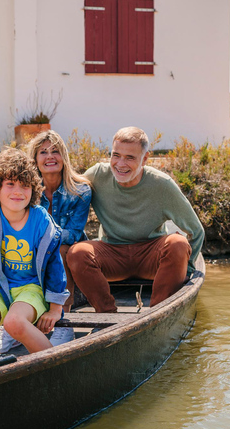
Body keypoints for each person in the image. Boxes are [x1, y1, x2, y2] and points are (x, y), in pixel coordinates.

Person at [66, 126, 204, 312]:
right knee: (76, 253)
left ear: (145, 159)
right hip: (111, 253)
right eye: (116, 155)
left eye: (130, 157)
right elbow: (68, 192)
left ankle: (157, 313)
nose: (121, 164)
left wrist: (186, 271)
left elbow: (196, 231)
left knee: (178, 244)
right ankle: (106, 315)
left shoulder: (162, 185)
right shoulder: (98, 175)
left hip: (151, 254)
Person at [0, 148, 69, 354]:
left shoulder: (41, 220)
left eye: (25, 186)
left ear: (33, 190)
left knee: (14, 323)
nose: (17, 191)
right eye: (10, 184)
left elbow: (55, 265)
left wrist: (55, 309)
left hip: (32, 289)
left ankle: (53, 364)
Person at [0, 131, 92, 351]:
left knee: (60, 248)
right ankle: (10, 325)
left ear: (64, 157)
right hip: (27, 250)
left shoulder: (81, 191)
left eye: (55, 151)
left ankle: (63, 321)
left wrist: (43, 239)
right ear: (35, 159)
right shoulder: (27, 190)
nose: (49, 156)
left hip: (66, 251)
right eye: (43, 152)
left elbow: (73, 233)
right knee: (8, 248)